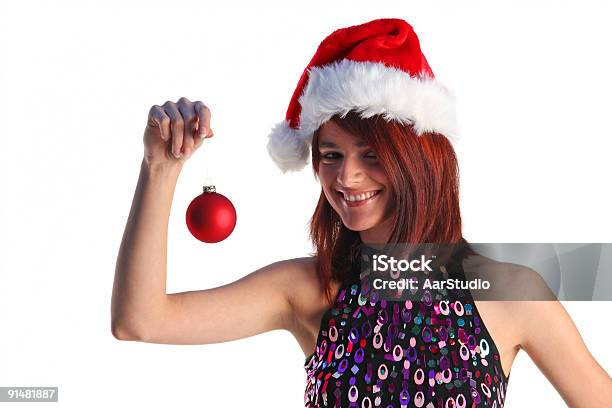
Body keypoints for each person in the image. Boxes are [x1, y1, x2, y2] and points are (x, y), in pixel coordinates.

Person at [111, 18, 612, 407]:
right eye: (331, 154)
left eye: (371, 153)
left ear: (419, 160)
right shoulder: (310, 288)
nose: (346, 177)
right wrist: (159, 169)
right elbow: (140, 320)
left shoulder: (510, 293)